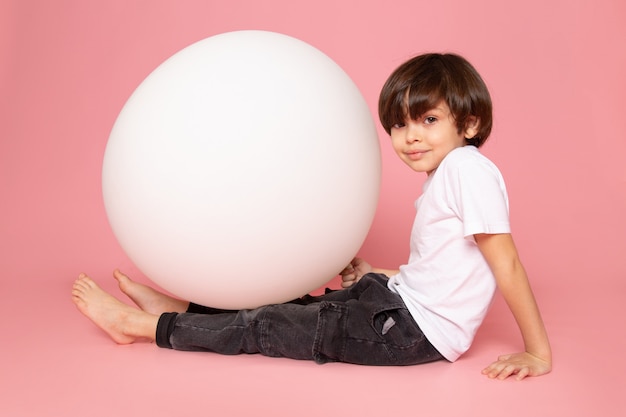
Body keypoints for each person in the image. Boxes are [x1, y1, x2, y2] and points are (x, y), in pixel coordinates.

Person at [72, 53, 552, 380]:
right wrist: (376, 274)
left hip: (410, 333)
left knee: (269, 328)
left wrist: (537, 351)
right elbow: (444, 271)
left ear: (469, 123)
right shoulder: (449, 176)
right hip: (397, 304)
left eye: (429, 120)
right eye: (399, 124)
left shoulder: (467, 170)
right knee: (291, 304)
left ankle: (138, 326)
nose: (410, 137)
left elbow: (503, 263)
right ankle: (181, 312)